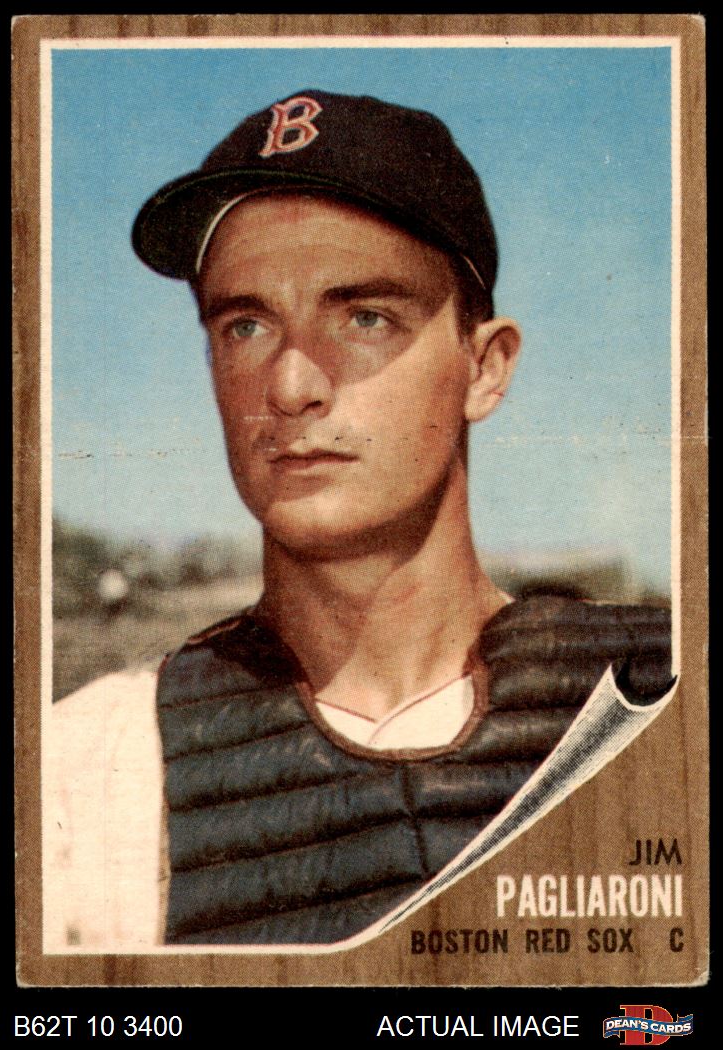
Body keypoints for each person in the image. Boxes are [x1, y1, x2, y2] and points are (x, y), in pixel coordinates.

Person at [45, 90, 671, 949]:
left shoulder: (667, 699)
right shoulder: (87, 770)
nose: (291, 387)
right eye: (246, 325)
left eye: (365, 318)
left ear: (486, 368)